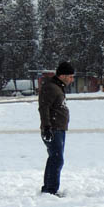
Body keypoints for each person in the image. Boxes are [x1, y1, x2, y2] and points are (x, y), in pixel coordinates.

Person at [38, 61, 75, 196]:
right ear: (62, 75)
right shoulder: (51, 88)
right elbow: (44, 108)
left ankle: (49, 188)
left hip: (58, 128)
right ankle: (50, 190)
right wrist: (47, 127)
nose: (72, 79)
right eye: (70, 76)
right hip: (53, 129)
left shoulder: (58, 87)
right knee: (57, 159)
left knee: (54, 158)